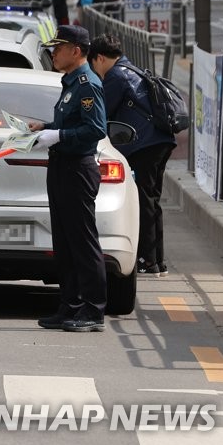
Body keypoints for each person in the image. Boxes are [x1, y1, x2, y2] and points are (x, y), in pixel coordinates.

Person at [28, 25, 108, 332]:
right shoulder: (70, 82)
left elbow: (95, 128)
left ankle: (92, 308)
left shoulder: (87, 84)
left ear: (76, 50)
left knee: (83, 242)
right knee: (64, 242)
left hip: (77, 168)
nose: (54, 53)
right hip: (62, 166)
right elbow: (70, 121)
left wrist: (58, 134)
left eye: (59, 48)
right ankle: (70, 305)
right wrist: (46, 128)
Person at [88, 34, 176, 277]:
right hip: (160, 140)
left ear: (100, 58)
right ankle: (157, 260)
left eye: (94, 64)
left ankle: (148, 260)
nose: (96, 71)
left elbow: (101, 112)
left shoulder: (116, 75)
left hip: (144, 144)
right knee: (152, 200)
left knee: (144, 201)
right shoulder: (133, 69)